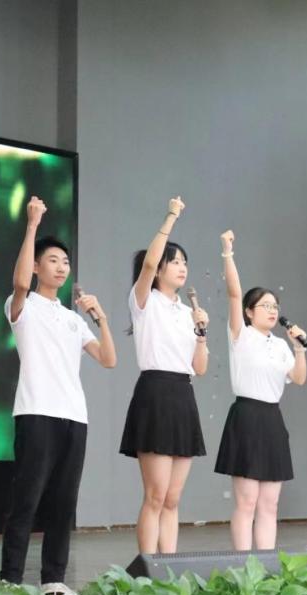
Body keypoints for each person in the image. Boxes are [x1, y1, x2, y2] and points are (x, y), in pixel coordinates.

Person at [0, 196, 116, 595]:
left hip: (74, 417)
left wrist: (101, 318)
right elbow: (18, 284)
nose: (61, 267)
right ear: (36, 266)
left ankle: (53, 580)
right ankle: (10, 580)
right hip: (36, 413)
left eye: (65, 262)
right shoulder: (22, 306)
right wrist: (32, 224)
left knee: (64, 503)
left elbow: (108, 359)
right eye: (52, 260)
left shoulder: (72, 318)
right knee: (27, 500)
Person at [119, 197, 209, 554]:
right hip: (155, 392)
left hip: (183, 394)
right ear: (159, 270)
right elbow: (148, 262)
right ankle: (147, 566)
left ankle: (169, 567)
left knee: (173, 498)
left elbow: (200, 368)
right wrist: (171, 216)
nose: (182, 267)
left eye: (185, 262)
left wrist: (201, 334)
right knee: (155, 495)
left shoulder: (188, 312)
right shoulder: (144, 301)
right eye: (175, 262)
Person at [214, 229, 307, 550]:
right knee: (247, 501)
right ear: (249, 311)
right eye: (265, 305)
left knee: (270, 503)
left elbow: (299, 378)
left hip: (272, 420)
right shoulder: (240, 334)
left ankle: (265, 564)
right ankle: (242, 564)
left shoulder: (280, 345)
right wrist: (228, 252)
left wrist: (299, 348)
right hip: (246, 416)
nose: (272, 310)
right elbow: (234, 294)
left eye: (275, 305)